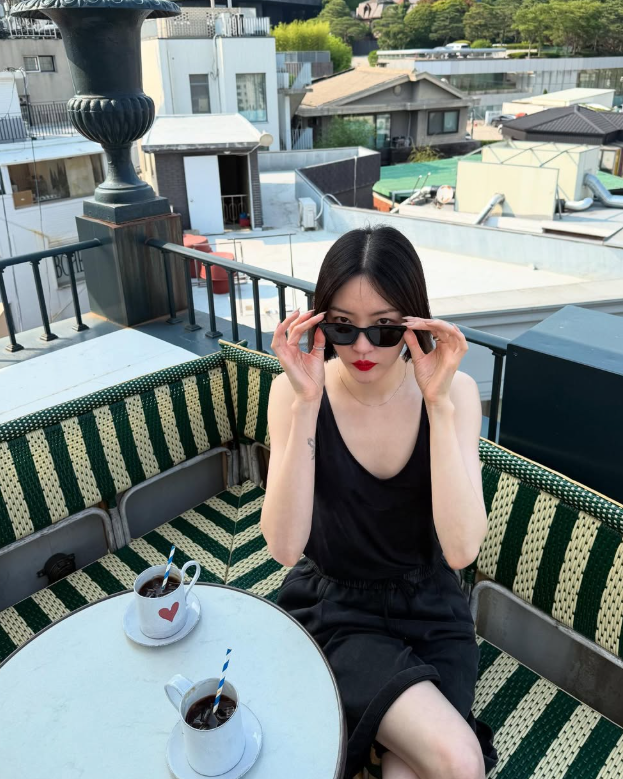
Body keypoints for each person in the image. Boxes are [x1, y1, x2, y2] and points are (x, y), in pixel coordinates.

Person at [261, 225, 498, 779]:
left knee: (411, 769)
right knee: (459, 761)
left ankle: (370, 743)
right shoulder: (293, 392)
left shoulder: (456, 394)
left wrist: (438, 405)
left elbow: (461, 551)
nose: (363, 348)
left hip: (431, 612)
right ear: (320, 323)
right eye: (343, 327)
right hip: (337, 610)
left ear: (415, 324)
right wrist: (306, 405)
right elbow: (284, 547)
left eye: (385, 329)